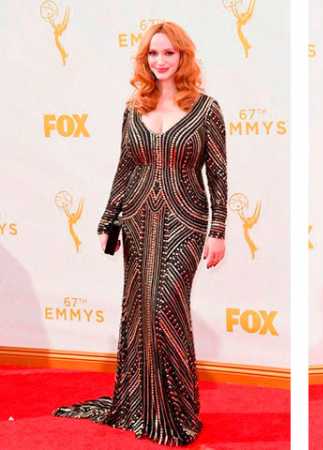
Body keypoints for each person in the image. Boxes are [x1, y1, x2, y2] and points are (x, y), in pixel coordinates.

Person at [52, 21, 228, 446]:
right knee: (141, 310)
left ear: (183, 56)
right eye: (153, 53)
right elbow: (126, 167)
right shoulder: (134, 108)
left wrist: (218, 230)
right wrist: (108, 220)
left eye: (168, 53)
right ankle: (140, 405)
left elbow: (218, 175)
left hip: (186, 221)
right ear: (144, 59)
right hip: (137, 220)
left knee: (166, 305)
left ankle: (178, 413)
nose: (160, 60)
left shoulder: (206, 109)